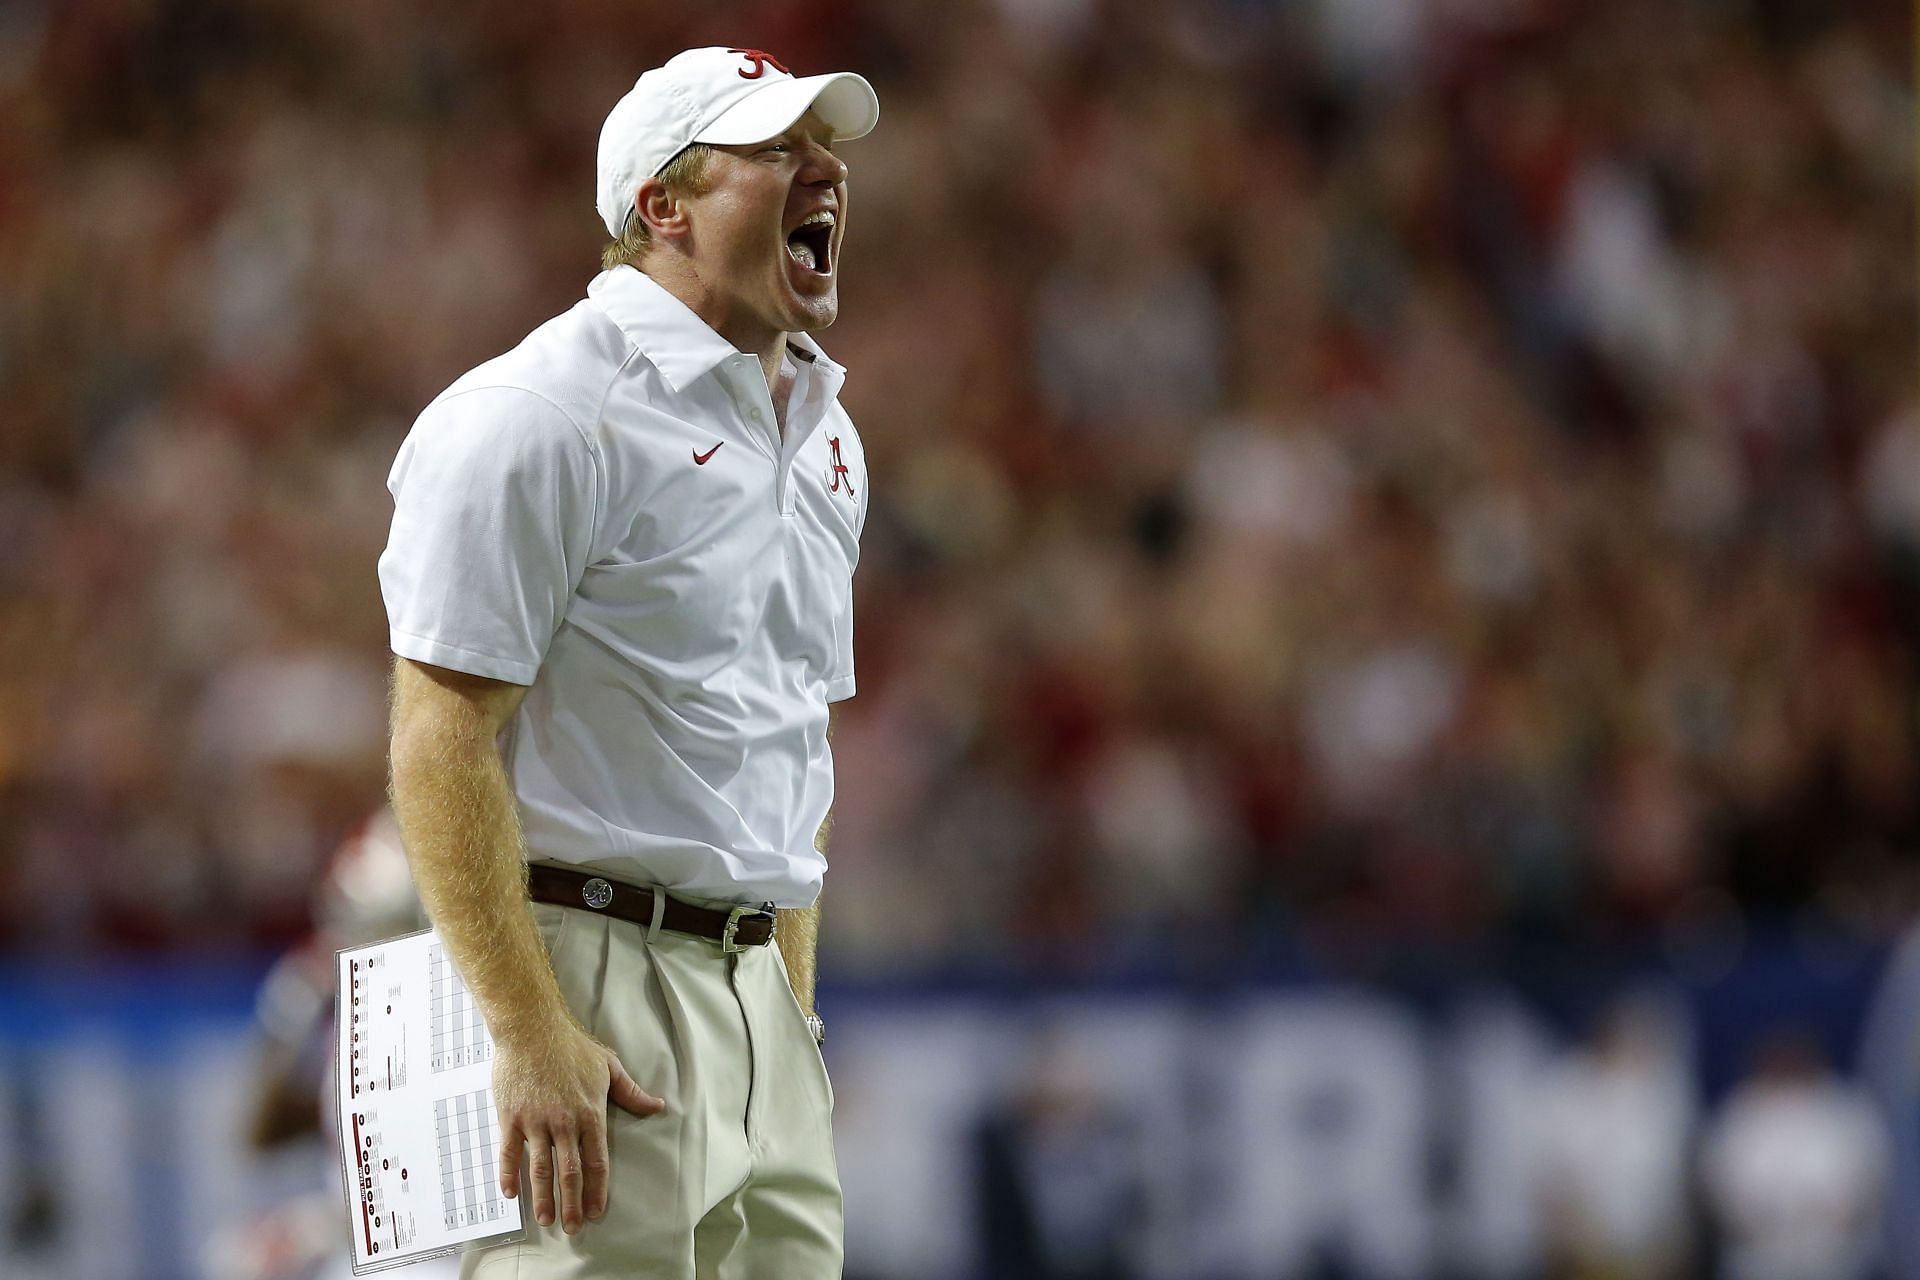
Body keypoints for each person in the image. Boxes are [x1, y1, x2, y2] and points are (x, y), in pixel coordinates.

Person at [378, 46, 878, 1279]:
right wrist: (523, 1026)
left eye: (827, 148)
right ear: (662, 205)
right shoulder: (538, 414)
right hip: (572, 975)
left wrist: (790, 1013)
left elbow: (788, 744)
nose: (824, 169)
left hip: (756, 992)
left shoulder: (824, 433)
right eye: (772, 150)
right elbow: (439, 734)